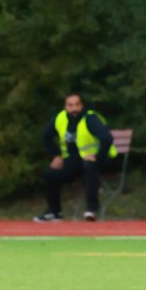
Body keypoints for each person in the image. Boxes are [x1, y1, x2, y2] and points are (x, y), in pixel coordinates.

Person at [32, 93, 117, 223]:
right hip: (76, 160)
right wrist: (56, 155)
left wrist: (97, 156)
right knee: (51, 174)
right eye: (70, 105)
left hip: (102, 160)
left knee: (90, 167)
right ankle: (54, 212)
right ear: (65, 107)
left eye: (77, 105)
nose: (74, 109)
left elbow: (107, 139)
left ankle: (91, 209)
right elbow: (45, 137)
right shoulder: (60, 118)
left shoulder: (90, 118)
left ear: (82, 106)